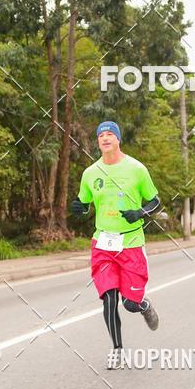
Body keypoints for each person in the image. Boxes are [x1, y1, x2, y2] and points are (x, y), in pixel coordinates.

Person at [71, 121, 160, 369]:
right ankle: (118, 350)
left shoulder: (136, 169)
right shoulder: (90, 173)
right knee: (109, 298)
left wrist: (140, 212)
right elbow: (84, 203)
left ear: (118, 139)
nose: (105, 138)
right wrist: (79, 208)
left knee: (129, 304)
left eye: (110, 134)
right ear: (97, 141)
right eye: (101, 135)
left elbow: (155, 200)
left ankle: (143, 305)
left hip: (131, 243)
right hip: (103, 243)